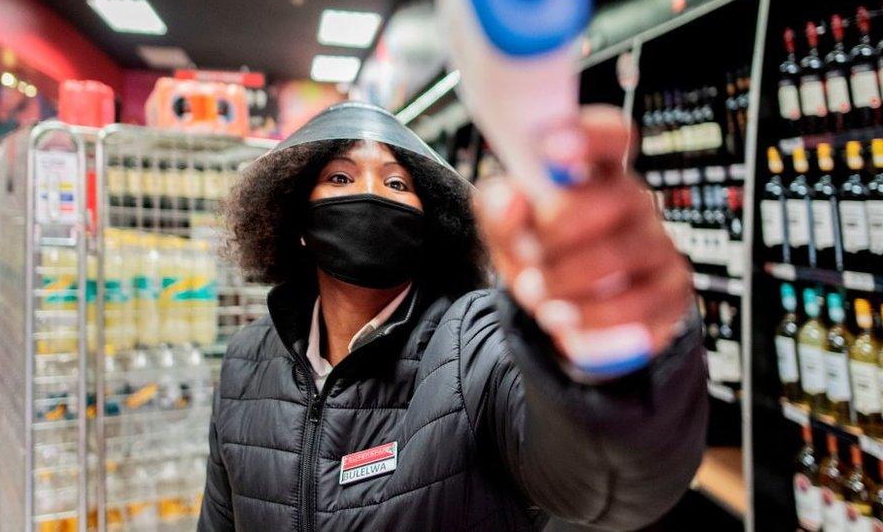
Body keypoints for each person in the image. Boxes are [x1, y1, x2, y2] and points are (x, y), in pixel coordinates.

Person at [200, 102, 706, 531]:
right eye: (340, 177)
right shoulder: (246, 362)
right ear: (296, 221)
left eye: (398, 183)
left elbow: (604, 484)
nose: (372, 193)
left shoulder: (473, 341)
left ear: (430, 224)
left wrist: (610, 361)